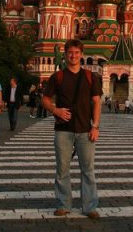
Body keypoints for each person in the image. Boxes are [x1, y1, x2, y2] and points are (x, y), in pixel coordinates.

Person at [42, 39, 102, 219]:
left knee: (88, 170)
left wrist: (96, 126)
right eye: (70, 52)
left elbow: (96, 102)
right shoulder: (58, 77)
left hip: (85, 129)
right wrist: (55, 110)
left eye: (76, 53)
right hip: (63, 130)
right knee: (62, 169)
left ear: (81, 55)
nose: (73, 56)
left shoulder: (91, 77)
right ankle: (63, 204)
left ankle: (90, 207)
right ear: (65, 54)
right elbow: (45, 99)